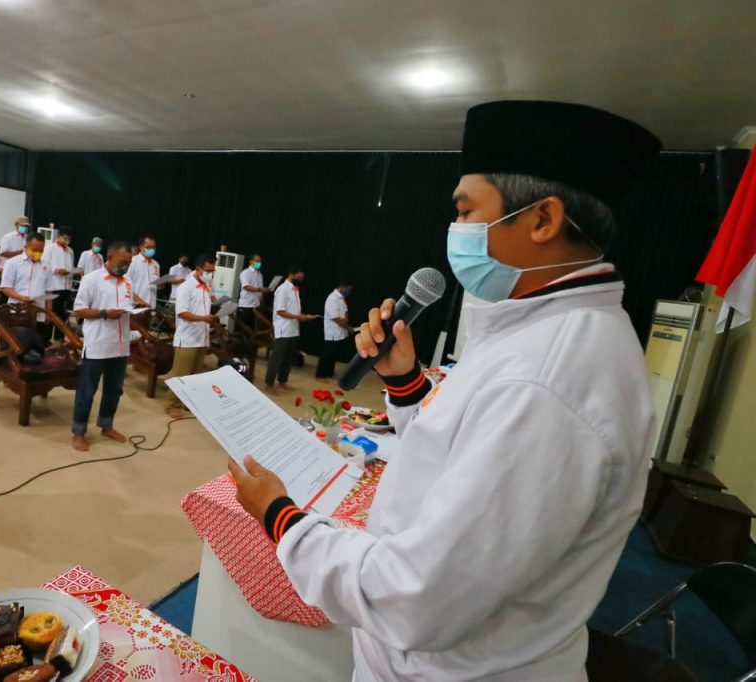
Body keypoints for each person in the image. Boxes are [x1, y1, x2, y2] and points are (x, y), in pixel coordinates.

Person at [228, 100, 662, 681]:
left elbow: (418, 598)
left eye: (466, 211)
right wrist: (404, 382)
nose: (455, 230)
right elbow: (462, 447)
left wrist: (282, 518)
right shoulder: (541, 329)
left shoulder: (548, 377)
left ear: (542, 220)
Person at [71, 241, 134, 452]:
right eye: (122, 262)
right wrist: (104, 313)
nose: (125, 266)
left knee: (114, 390)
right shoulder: (91, 279)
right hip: (98, 344)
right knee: (87, 391)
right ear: (110, 256)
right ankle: (79, 432)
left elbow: (127, 307)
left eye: (129, 263)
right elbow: (79, 310)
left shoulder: (128, 282)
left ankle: (107, 426)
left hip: (121, 345)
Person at [166, 254, 218, 418]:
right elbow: (182, 313)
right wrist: (203, 318)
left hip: (201, 336)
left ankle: (188, 402)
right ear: (198, 269)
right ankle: (172, 404)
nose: (210, 274)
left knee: (195, 375)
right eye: (208, 271)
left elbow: (204, 307)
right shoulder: (185, 287)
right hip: (187, 338)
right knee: (180, 373)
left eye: (213, 271)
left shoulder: (207, 286)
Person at [264, 266, 314, 392]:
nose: (301, 280)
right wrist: (298, 317)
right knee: (277, 357)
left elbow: (293, 309)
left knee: (288, 358)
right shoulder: (282, 289)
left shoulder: (295, 289)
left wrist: (303, 316)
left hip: (293, 329)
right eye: (299, 277)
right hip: (283, 328)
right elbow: (280, 311)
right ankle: (269, 384)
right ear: (291, 274)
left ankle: (282, 381)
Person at [1, 231, 51, 330]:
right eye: (34, 250)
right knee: (17, 337)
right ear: (26, 247)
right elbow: (5, 287)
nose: (37, 253)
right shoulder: (12, 263)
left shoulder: (46, 265)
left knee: (37, 338)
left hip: (39, 312)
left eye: (40, 250)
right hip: (17, 311)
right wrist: (21, 298)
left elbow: (48, 291)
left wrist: (49, 312)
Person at [315, 281, 353, 381]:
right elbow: (335, 318)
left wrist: (346, 320)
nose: (348, 292)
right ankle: (320, 375)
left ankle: (329, 373)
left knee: (333, 354)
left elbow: (345, 311)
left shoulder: (341, 298)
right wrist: (348, 327)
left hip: (340, 332)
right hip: (332, 332)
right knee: (327, 354)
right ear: (342, 287)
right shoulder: (332, 298)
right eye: (348, 290)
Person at [42, 226, 75, 339]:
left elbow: (71, 267)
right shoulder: (49, 248)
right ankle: (46, 339)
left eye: (69, 239)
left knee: (62, 313)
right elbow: (44, 266)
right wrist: (56, 271)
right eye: (65, 238)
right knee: (51, 312)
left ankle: (59, 337)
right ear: (59, 236)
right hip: (53, 285)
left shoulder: (70, 251)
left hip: (66, 286)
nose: (67, 240)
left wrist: (69, 272)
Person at [237, 253, 269, 331]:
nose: (259, 263)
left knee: (253, 329)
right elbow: (246, 287)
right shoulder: (245, 273)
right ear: (251, 261)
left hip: (256, 306)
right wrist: (260, 289)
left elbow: (260, 289)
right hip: (246, 306)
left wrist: (262, 298)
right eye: (257, 261)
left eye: (260, 261)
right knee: (244, 330)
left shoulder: (260, 274)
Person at [127, 235, 160, 308]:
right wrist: (140, 302)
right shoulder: (132, 261)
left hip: (151, 307)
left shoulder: (156, 264)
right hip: (136, 306)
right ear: (141, 247)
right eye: (148, 247)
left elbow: (156, 286)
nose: (151, 250)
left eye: (153, 247)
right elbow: (124, 286)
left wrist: (161, 285)